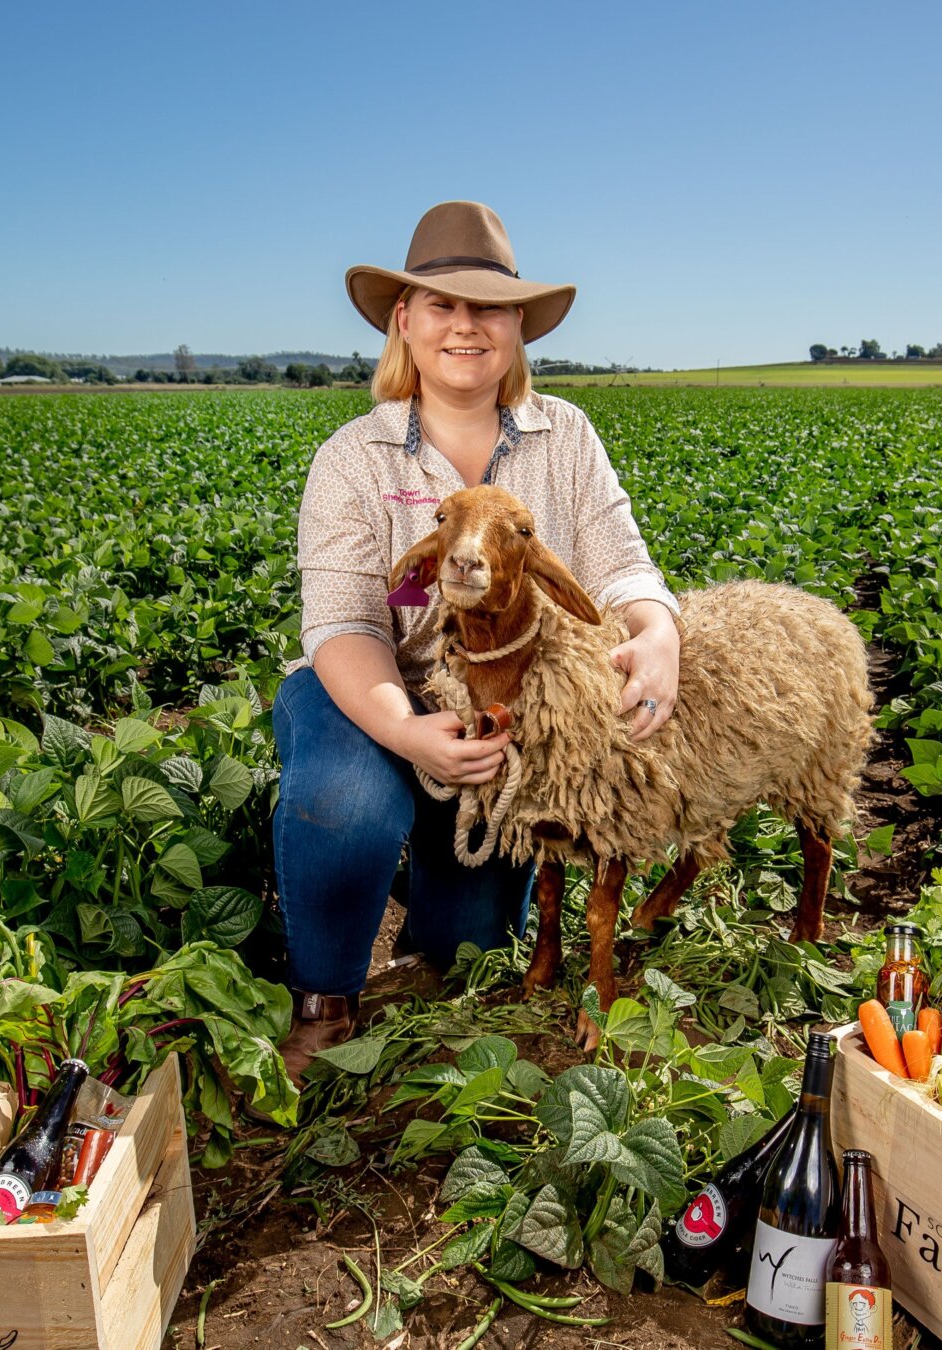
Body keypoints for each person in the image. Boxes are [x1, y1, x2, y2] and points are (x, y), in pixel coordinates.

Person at [273, 200, 682, 1076]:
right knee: (345, 803)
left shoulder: (564, 435)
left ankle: (422, 867)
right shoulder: (355, 457)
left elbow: (620, 563)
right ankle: (326, 995)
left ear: (517, 327)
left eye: (487, 307)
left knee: (465, 951)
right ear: (405, 321)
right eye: (440, 305)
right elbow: (344, 624)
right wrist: (408, 731)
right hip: (371, 689)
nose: (465, 325)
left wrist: (657, 632)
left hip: (501, 702)